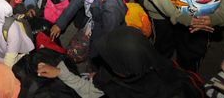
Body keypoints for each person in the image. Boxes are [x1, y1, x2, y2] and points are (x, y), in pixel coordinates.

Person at [38, 26, 206, 98]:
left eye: (111, 60)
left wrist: (62, 73)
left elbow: (91, 92)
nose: (105, 63)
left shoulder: (122, 89)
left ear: (121, 71)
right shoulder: (160, 64)